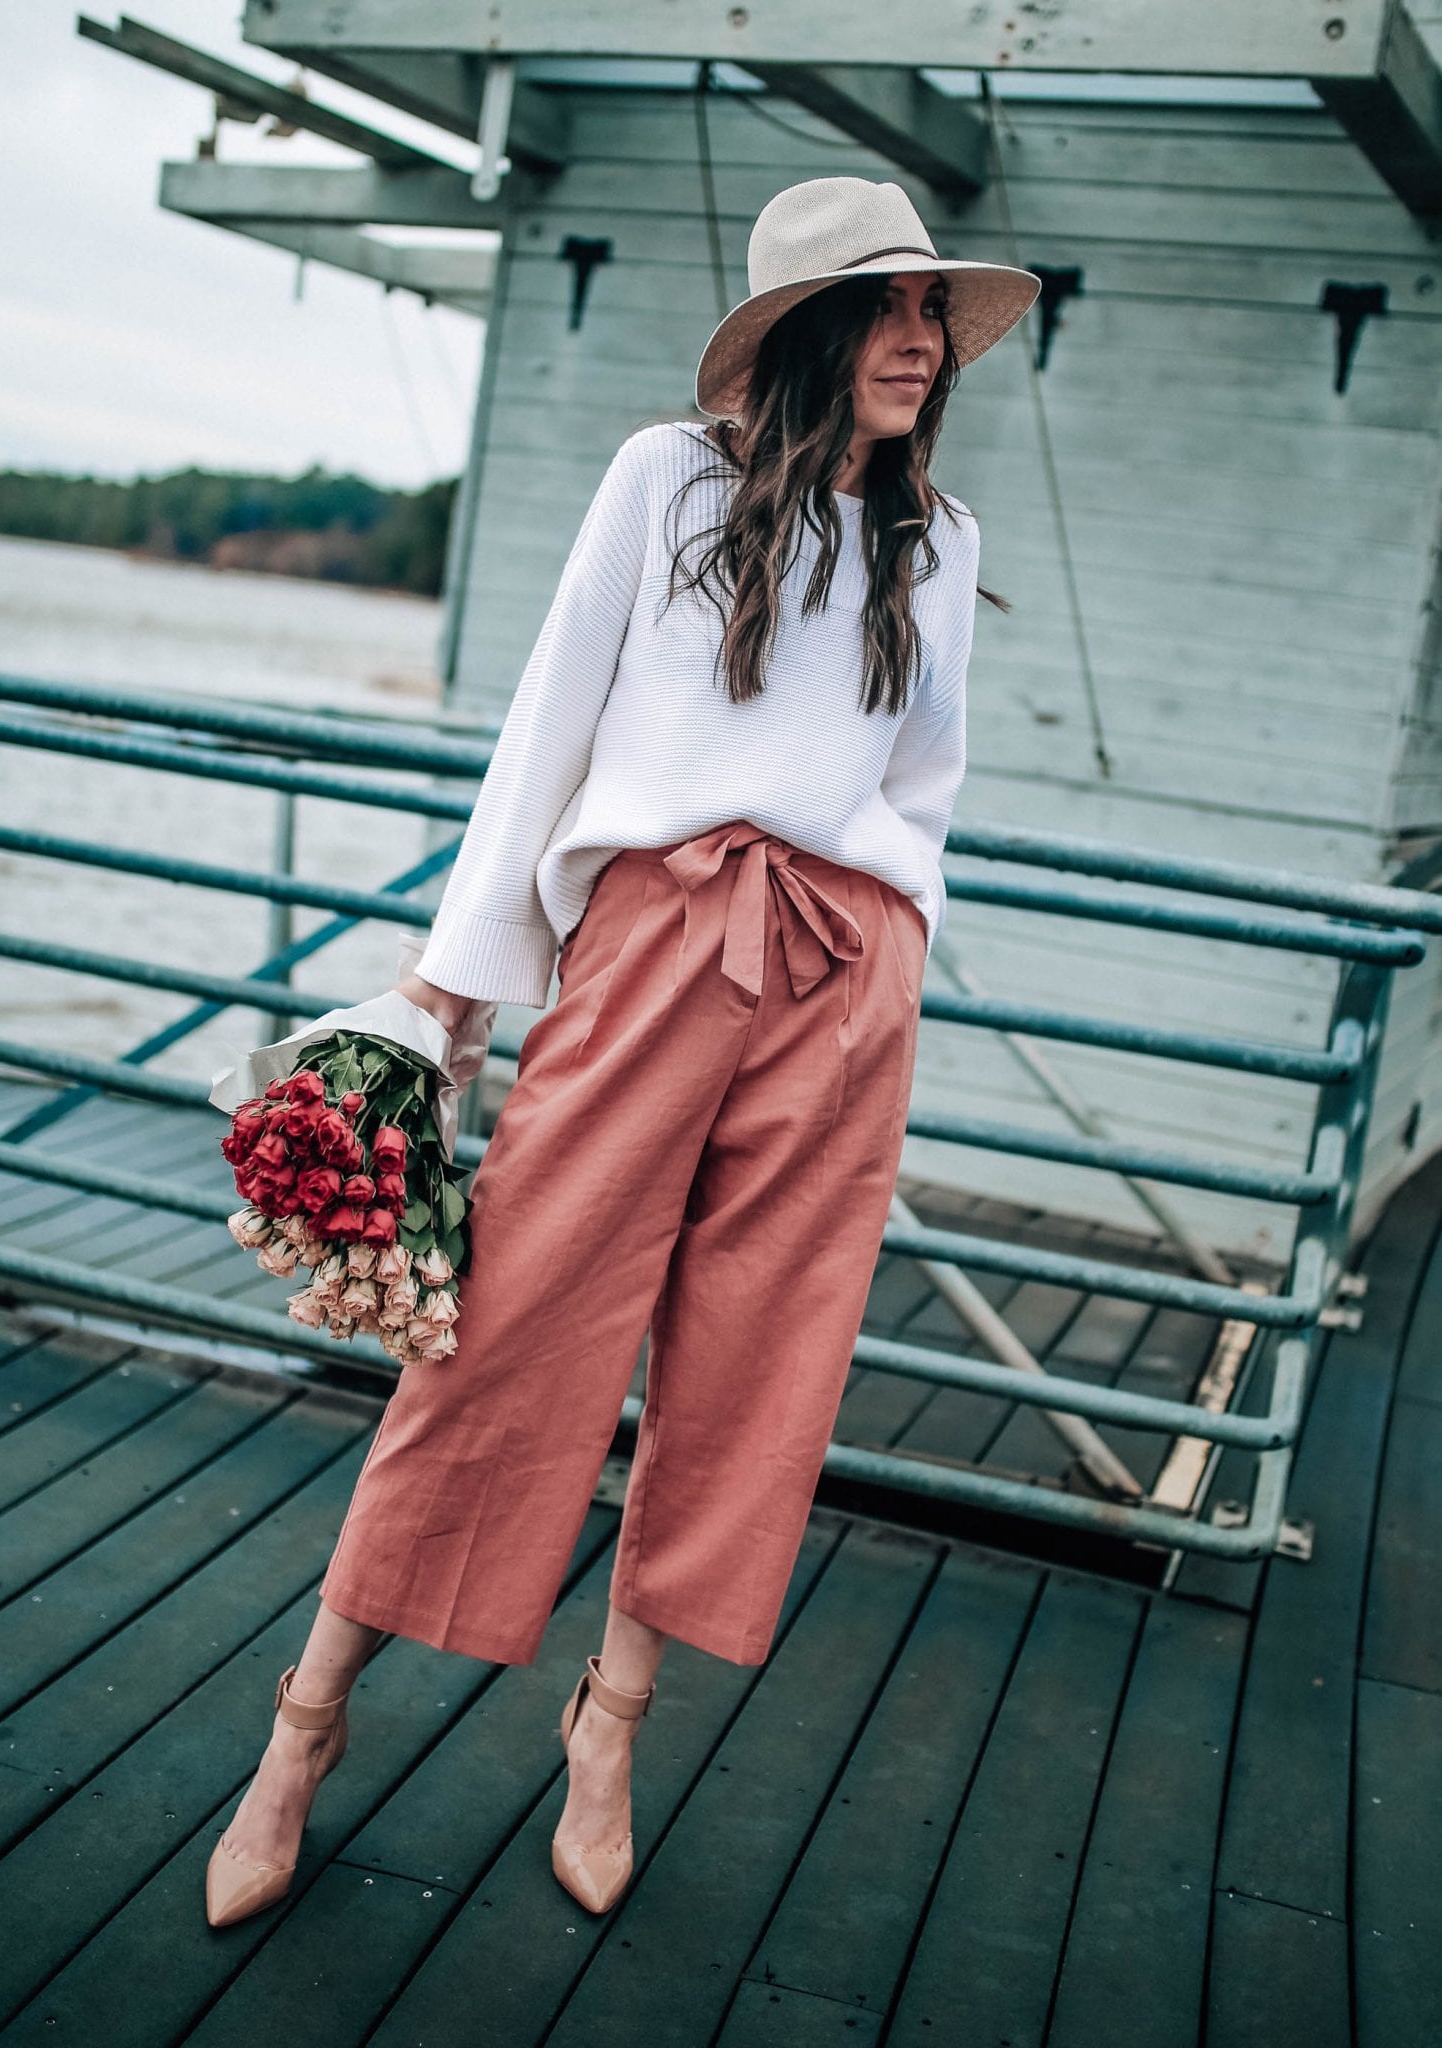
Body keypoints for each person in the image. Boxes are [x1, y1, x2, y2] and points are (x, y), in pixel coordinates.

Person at [203, 174, 1039, 1929]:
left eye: (929, 313)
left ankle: (613, 1723)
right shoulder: (667, 482)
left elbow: (923, 792)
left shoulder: (939, 546)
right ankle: (304, 1726)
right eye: (884, 307)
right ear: (808, 328)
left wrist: (890, 946)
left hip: (841, 971)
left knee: (758, 1365)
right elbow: (546, 732)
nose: (917, 337)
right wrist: (455, 993)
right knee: (502, 1332)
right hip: (654, 942)